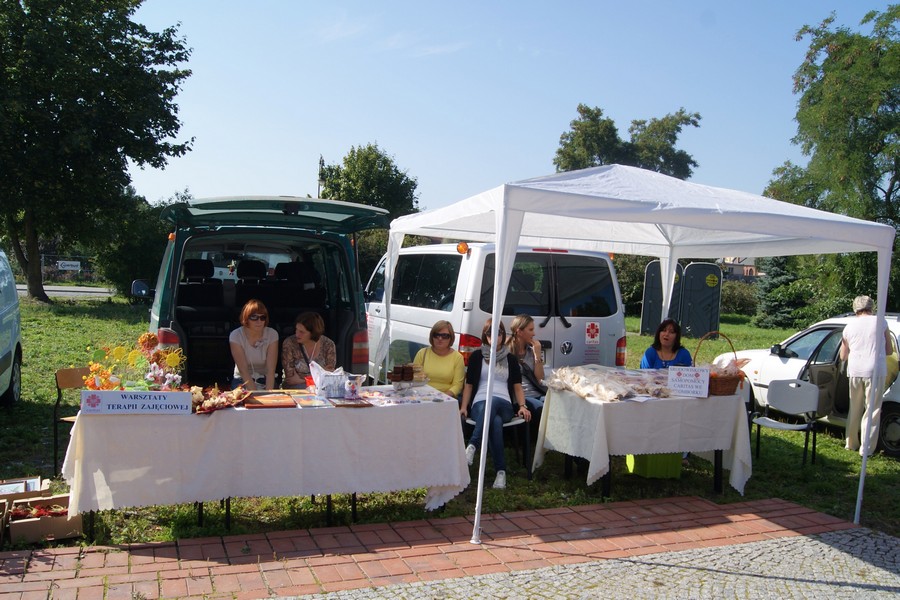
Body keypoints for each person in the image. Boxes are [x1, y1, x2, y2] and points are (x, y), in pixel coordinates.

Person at [459, 319, 531, 490]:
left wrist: (522, 406)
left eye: (498, 332)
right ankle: (501, 472)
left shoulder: (511, 359)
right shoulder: (477, 356)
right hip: (479, 405)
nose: (494, 336)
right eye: (490, 332)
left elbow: (517, 387)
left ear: (502, 335)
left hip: (505, 404)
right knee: (495, 422)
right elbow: (469, 385)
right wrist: (463, 407)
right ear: (485, 335)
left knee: (494, 402)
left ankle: (473, 444)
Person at [839, 295, 892, 456]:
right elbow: (889, 350)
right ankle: (866, 448)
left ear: (856, 309)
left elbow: (842, 356)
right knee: (872, 410)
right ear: (871, 307)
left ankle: (851, 443)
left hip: (855, 370)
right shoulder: (881, 322)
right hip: (875, 371)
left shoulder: (848, 327)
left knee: (854, 407)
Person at [640, 318, 693, 466]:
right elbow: (645, 377)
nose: (667, 334)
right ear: (659, 333)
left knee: (681, 418)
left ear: (677, 336)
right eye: (664, 330)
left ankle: (681, 454)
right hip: (654, 395)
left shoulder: (683, 354)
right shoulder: (650, 352)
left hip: (677, 397)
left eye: (671, 332)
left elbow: (688, 378)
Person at [230, 299, 278, 390]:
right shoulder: (236, 335)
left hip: (265, 378)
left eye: (262, 317)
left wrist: (269, 395)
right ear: (246, 318)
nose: (259, 321)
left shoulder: (272, 334)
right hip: (242, 379)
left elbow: (271, 370)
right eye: (254, 317)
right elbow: (243, 370)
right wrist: (255, 395)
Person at [282, 311, 337, 388]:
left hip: (321, 386)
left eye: (302, 332)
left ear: (313, 332)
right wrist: (316, 378)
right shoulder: (289, 343)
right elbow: (291, 378)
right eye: (296, 330)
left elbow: (328, 375)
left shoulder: (328, 344)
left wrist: (304, 380)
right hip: (297, 387)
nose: (297, 334)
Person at [413, 320, 465, 398]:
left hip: (446, 399)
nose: (440, 338)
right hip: (422, 396)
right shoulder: (422, 353)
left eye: (445, 336)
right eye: (436, 335)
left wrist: (442, 397)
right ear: (432, 336)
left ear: (451, 338)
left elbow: (457, 386)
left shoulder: (457, 358)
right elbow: (414, 377)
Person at [508, 314, 547, 415]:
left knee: (555, 405)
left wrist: (537, 355)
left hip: (537, 393)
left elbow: (540, 379)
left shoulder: (530, 351)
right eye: (530, 330)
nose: (534, 334)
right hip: (521, 398)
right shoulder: (507, 352)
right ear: (519, 332)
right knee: (542, 409)